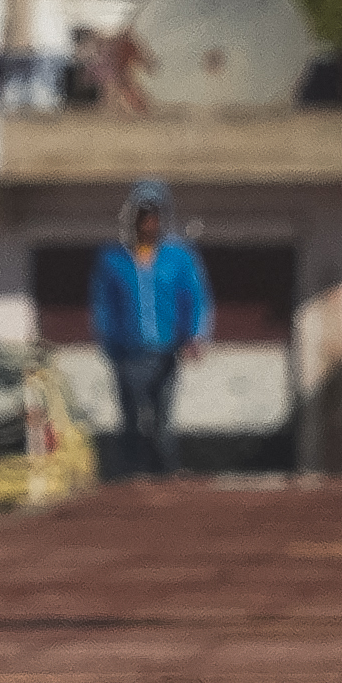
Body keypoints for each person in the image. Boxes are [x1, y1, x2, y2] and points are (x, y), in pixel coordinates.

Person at [86, 184, 205, 476]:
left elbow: (194, 297)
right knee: (131, 418)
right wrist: (109, 345)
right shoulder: (113, 260)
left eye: (154, 216)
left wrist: (194, 336)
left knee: (162, 419)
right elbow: (103, 306)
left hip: (165, 351)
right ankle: (131, 476)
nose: (149, 223)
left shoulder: (178, 259)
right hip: (128, 354)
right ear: (133, 219)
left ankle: (166, 474)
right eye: (143, 216)